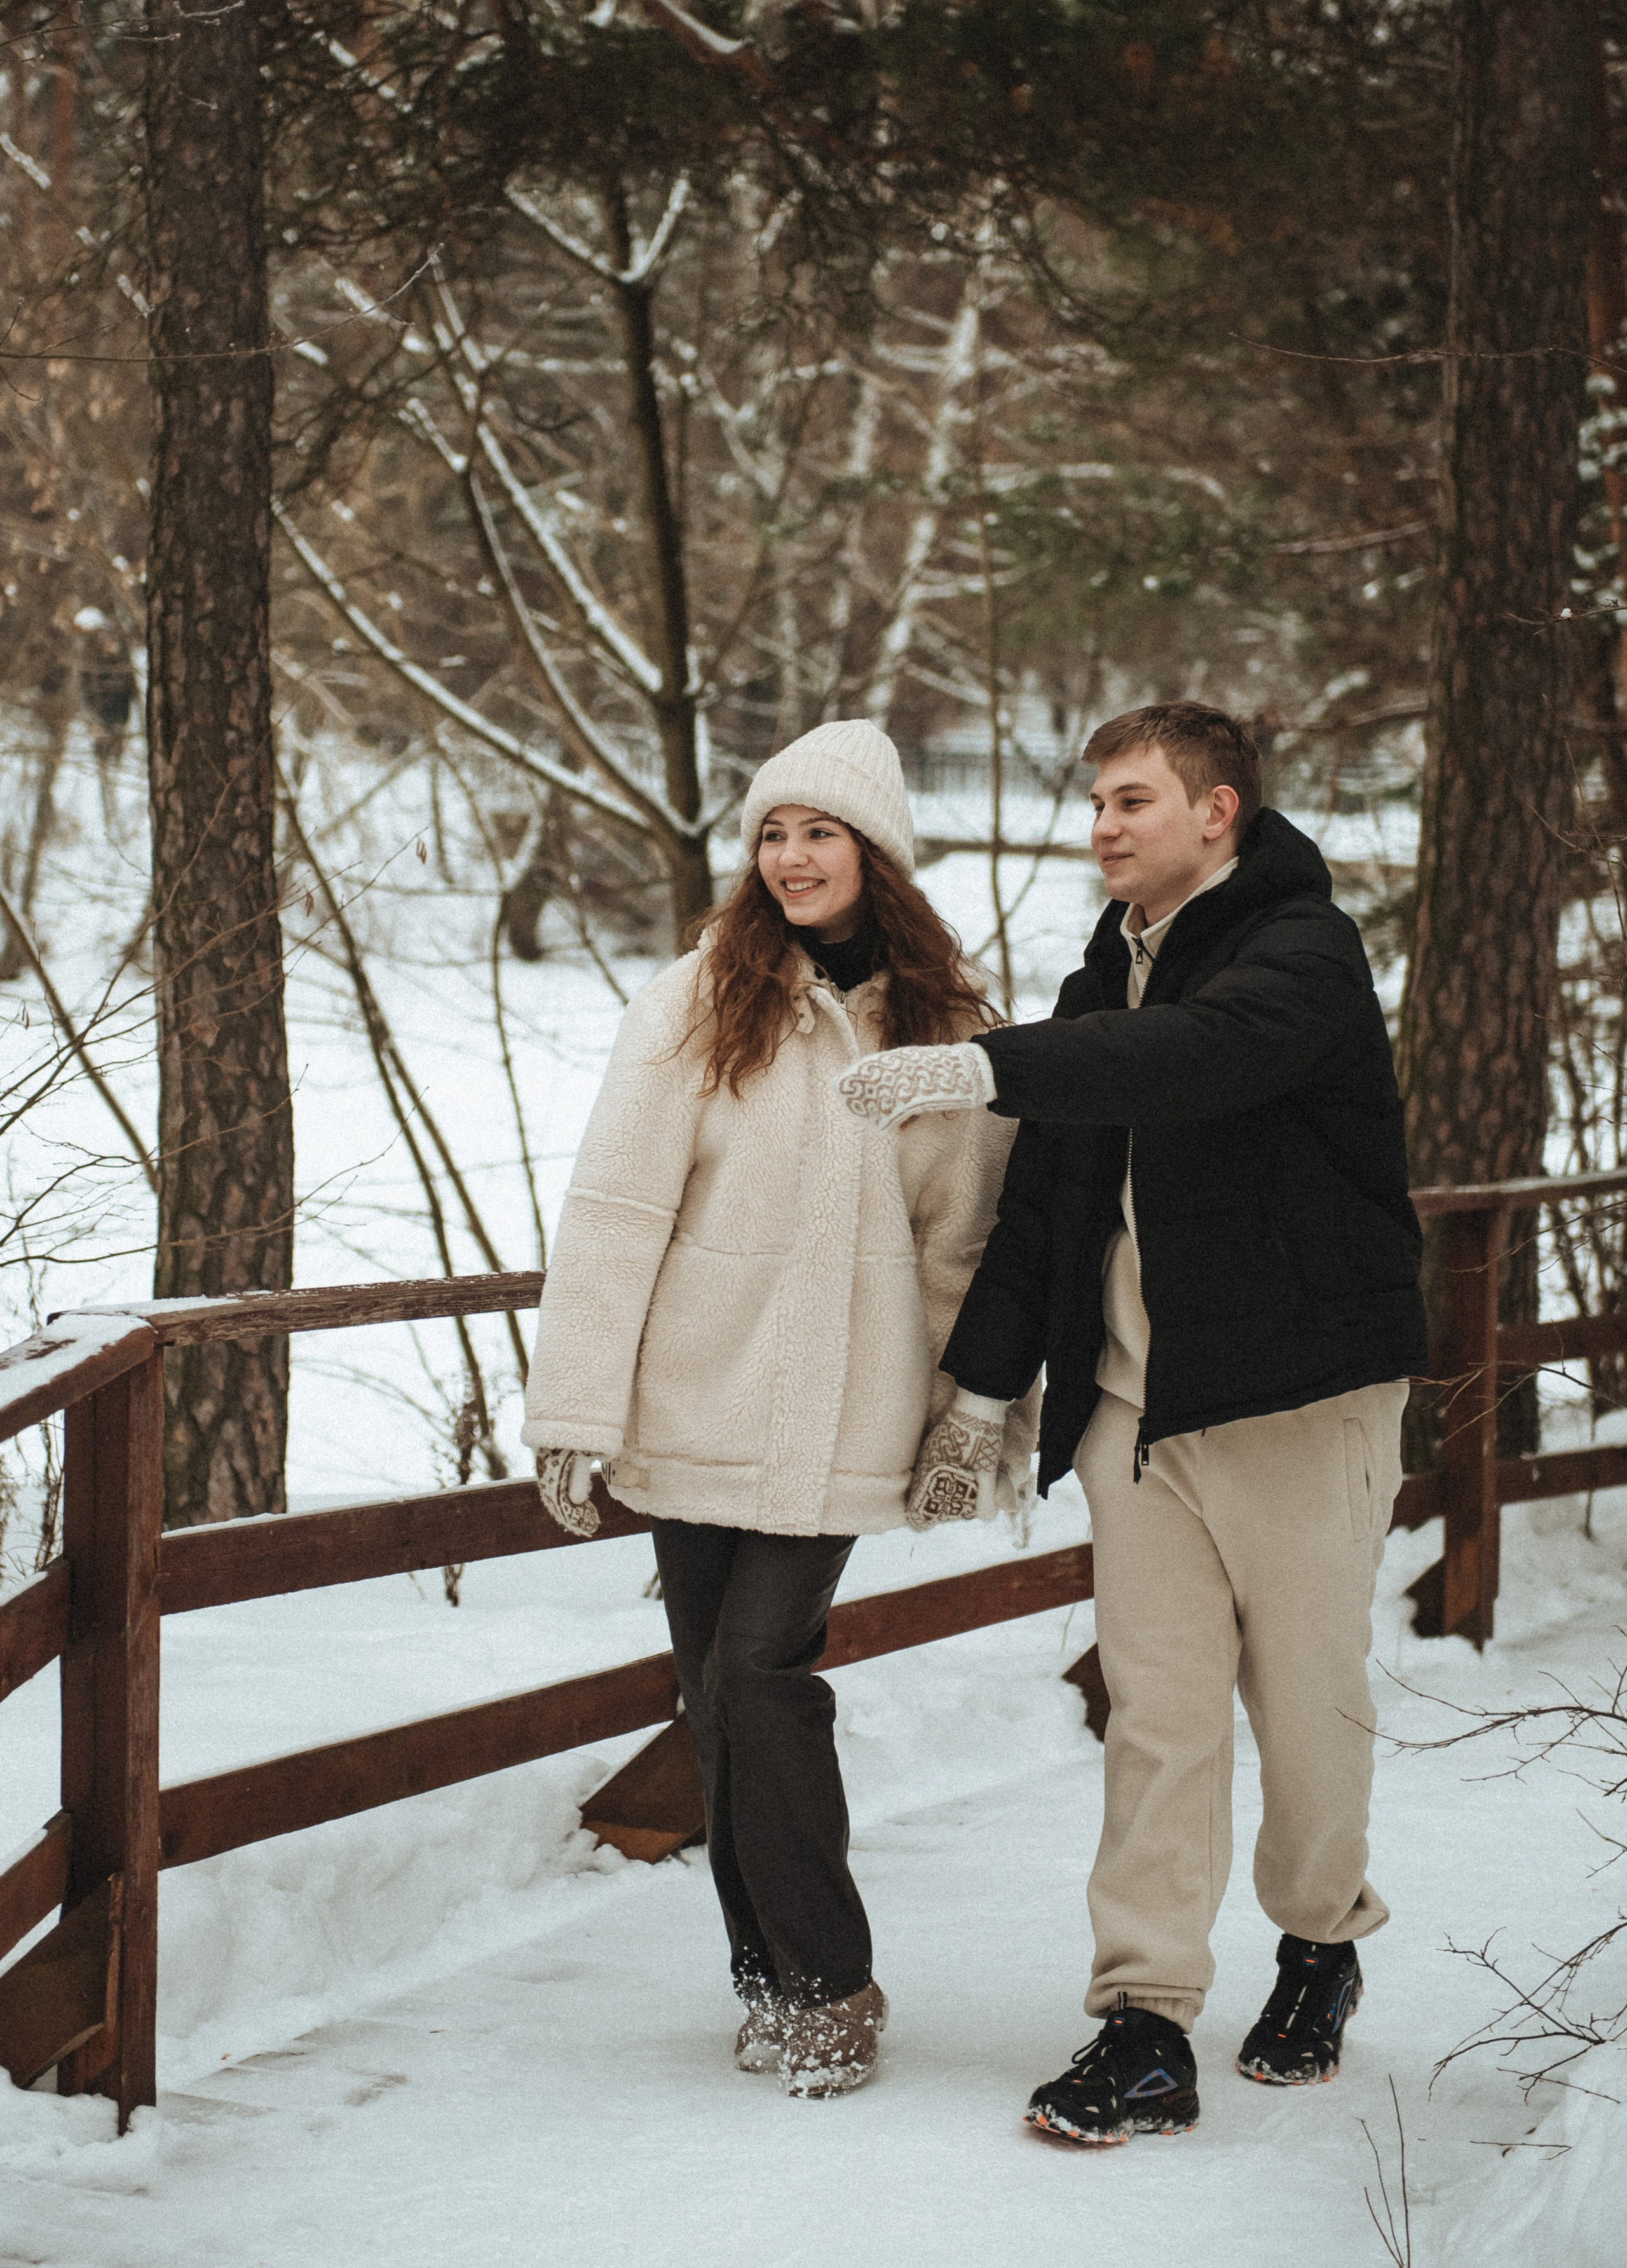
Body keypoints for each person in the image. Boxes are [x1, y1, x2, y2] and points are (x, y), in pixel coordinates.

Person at [835, 700, 1428, 2145]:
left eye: (1131, 800)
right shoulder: (1103, 974)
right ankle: (1143, 2021)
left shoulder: (1299, 952)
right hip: (1136, 1420)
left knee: (1304, 1714)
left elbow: (1199, 1058)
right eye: (1093, 802)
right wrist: (981, 1395)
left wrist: (989, 1065)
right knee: (1153, 1724)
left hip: (1296, 1401)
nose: (1101, 826)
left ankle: (1317, 1939)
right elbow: (1047, 1212)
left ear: (1215, 810)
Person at [522, 718, 1035, 2099]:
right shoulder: (697, 998)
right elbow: (617, 1210)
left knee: (759, 1676)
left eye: (821, 831)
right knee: (712, 1697)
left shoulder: (946, 1030)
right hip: (695, 1398)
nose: (792, 856)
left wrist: (963, 1419)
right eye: (771, 832)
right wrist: (575, 1406)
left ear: (876, 852)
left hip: (848, 1409)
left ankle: (827, 1984)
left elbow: (959, 1247)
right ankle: (766, 1978)